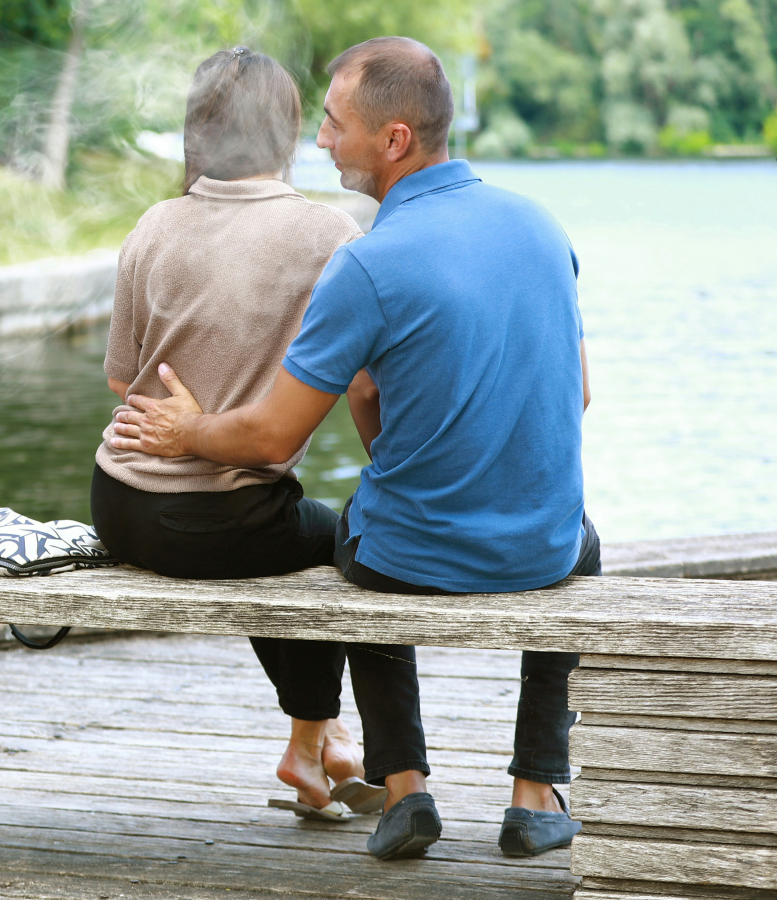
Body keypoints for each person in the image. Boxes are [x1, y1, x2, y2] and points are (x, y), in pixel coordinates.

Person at [108, 36, 596, 862]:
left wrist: (188, 432)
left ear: (393, 139)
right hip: (541, 547)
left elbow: (274, 435)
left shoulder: (367, 264)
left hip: (410, 556)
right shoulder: (542, 226)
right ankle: (535, 793)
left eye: (335, 125)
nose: (323, 141)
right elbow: (577, 392)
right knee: (581, 544)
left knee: (361, 534)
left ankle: (405, 788)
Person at [89, 47, 386, 820]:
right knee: (332, 541)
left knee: (270, 534)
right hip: (218, 519)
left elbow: (124, 383)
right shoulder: (331, 233)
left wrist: (189, 409)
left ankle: (325, 744)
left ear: (199, 129)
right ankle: (310, 740)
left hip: (118, 504)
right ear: (288, 130)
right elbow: (362, 380)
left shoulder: (154, 224)